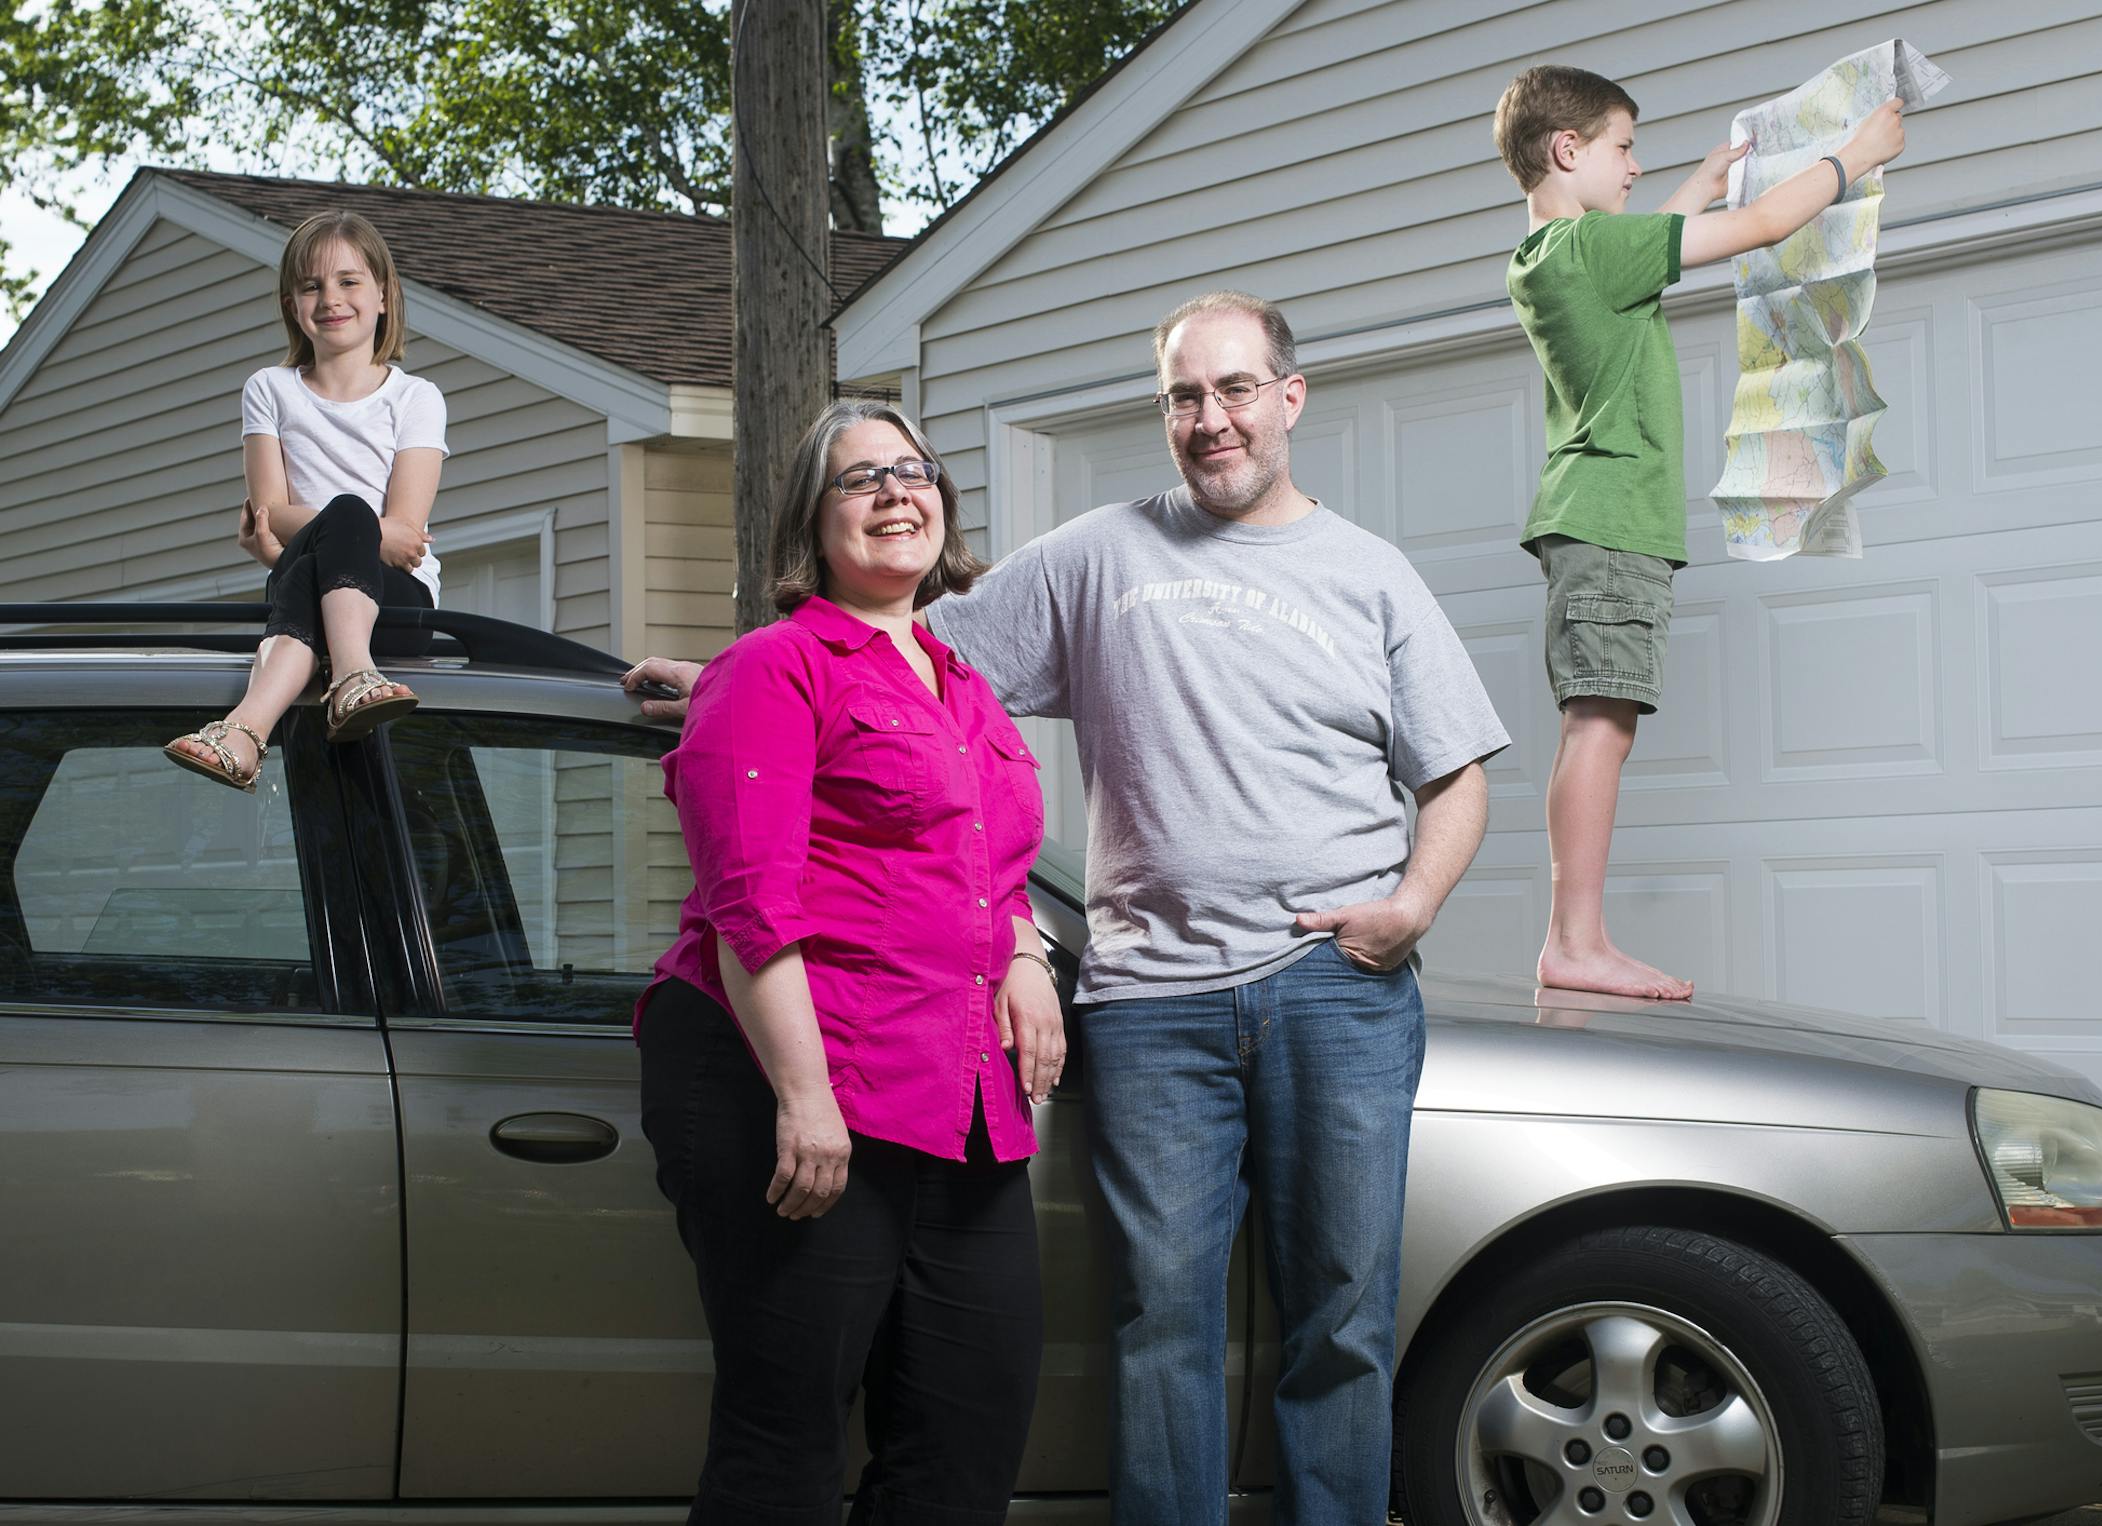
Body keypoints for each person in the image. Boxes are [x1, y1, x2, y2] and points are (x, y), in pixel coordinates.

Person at [627, 293, 1509, 1524]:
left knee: (1344, 1313)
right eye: (1185, 397)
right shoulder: (1096, 557)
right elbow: (875, 643)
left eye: (1236, 390)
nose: (1212, 420)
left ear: (1289, 398)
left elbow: (1457, 769)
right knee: (1162, 1318)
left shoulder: (1371, 575)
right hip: (1149, 1003)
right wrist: (728, 671)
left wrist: (1409, 905)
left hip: (1331, 988)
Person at [635, 399, 1063, 1526]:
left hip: (959, 1095)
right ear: (811, 525)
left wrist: (1022, 949)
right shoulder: (774, 667)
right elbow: (748, 904)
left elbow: (987, 864)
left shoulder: (963, 685)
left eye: (913, 472)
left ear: (944, 505)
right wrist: (805, 1097)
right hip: (799, 1074)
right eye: (859, 477)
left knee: (966, 1436)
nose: (894, 493)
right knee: (784, 1445)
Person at [1494, 65, 1906, 998]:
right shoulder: (1595, 248)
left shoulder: (1555, 253)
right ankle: (1577, 942)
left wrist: (1700, 182)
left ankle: (1576, 937)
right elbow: (1763, 228)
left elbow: (1647, 241)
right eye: (1624, 146)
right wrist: (1853, 158)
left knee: (1598, 723)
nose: (1637, 166)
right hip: (1610, 521)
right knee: (1601, 725)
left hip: (1589, 518)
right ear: (1568, 149)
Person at [164, 209, 445, 790]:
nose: (330, 299)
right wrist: (365, 529)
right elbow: (270, 510)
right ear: (292, 305)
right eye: (311, 286)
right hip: (316, 583)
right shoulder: (269, 388)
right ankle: (353, 678)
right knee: (349, 514)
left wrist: (296, 540)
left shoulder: (416, 397)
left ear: (384, 295)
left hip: (397, 606)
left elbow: (406, 539)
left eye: (348, 281)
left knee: (334, 531)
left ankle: (246, 730)